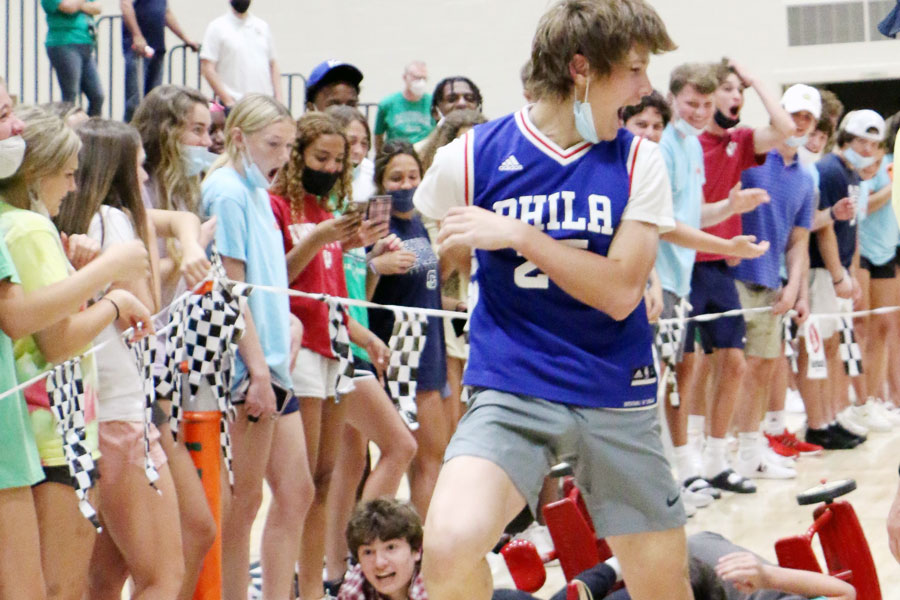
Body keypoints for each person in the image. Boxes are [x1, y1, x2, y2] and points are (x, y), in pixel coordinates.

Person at [413, 0, 698, 598]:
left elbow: (622, 292)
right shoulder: (469, 156)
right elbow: (434, 233)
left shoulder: (640, 160)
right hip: (512, 385)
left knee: (661, 585)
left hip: (615, 391)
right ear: (581, 70)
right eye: (635, 70)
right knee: (446, 543)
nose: (647, 89)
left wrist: (518, 235)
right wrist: (432, 259)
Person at [0, 78, 150, 600]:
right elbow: (56, 342)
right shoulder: (29, 228)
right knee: (59, 588)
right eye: (67, 175)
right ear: (37, 174)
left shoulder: (14, 223)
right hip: (53, 429)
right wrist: (112, 293)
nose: (72, 187)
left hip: (38, 427)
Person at [56, 118, 210, 599]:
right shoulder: (116, 221)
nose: (145, 178)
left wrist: (184, 244)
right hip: (122, 411)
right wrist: (176, 259)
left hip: (81, 413)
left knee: (103, 578)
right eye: (139, 167)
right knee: (162, 577)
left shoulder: (66, 225)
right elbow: (143, 311)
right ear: (118, 169)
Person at [202, 94, 310, 600]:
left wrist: (286, 321)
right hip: (248, 370)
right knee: (241, 503)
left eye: (288, 146)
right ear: (239, 137)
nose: (282, 157)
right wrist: (257, 371)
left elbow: (269, 280)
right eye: (274, 144)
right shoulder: (225, 190)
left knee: (296, 491)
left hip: (272, 359)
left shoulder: (261, 195)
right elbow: (230, 287)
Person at [130, 83, 222, 600]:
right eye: (197, 129)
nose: (207, 141)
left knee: (197, 530)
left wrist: (191, 245)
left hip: (163, 373)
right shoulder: (133, 195)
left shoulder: (180, 196)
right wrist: (189, 254)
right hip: (135, 383)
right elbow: (138, 289)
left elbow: (183, 241)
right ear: (166, 132)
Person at [686, 58, 793, 493]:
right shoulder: (687, 143)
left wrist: (757, 80)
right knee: (689, 367)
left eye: (739, 91)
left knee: (732, 363)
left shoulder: (740, 140)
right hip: (684, 264)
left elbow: (785, 128)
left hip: (720, 265)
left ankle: (716, 459)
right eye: (728, 89)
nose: (736, 97)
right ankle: (687, 458)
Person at [322, 105, 418, 586]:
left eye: (362, 144)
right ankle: (367, 555)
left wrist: (373, 262)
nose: (355, 153)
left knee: (348, 464)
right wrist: (357, 332)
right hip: (340, 345)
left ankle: (336, 571)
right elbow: (320, 285)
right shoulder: (329, 214)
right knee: (401, 445)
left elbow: (358, 289)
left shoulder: (358, 212)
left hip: (355, 337)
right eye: (347, 145)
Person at [730, 84, 823, 479]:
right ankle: (723, 451)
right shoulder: (752, 157)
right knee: (735, 366)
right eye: (794, 114)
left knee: (766, 365)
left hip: (773, 282)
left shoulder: (807, 178)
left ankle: (752, 451)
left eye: (807, 117)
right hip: (733, 274)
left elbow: (799, 241)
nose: (799, 123)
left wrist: (795, 288)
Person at [371, 141, 451, 520]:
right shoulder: (377, 225)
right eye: (396, 178)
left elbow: (424, 287)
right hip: (401, 345)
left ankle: (420, 547)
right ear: (380, 181)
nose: (405, 184)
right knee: (418, 454)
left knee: (430, 455)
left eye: (412, 176)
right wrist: (376, 265)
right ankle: (409, 548)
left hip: (431, 341)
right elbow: (361, 290)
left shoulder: (419, 220)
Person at [802, 109, 885, 450]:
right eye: (861, 141)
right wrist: (838, 275)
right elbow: (825, 229)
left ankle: (830, 416)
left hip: (835, 271)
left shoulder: (852, 175)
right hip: (821, 270)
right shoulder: (831, 171)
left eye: (873, 144)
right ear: (847, 139)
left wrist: (852, 272)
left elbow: (851, 228)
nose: (867, 149)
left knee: (834, 345)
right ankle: (817, 423)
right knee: (817, 347)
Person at [121, 0, 199, 122]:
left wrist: (185, 39)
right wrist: (137, 36)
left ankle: (149, 137)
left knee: (155, 101)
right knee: (134, 101)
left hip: (157, 47)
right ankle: (129, 137)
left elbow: (166, 13)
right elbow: (126, 6)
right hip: (138, 49)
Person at [200, 0, 282, 110]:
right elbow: (207, 68)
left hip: (265, 104)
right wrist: (228, 101)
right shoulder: (216, 27)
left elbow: (273, 64)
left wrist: (279, 100)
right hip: (235, 104)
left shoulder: (262, 26)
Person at [40, 0, 105, 116]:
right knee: (70, 95)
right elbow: (68, 7)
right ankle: (67, 130)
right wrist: (84, 5)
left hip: (85, 44)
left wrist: (78, 5)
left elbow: (98, 8)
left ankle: (92, 131)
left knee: (97, 95)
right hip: (63, 44)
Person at [374, 61, 434, 154]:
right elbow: (378, 136)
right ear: (405, 77)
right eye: (417, 78)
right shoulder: (387, 104)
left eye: (424, 78)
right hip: (396, 153)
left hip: (424, 154)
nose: (421, 82)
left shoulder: (433, 103)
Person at [414, 77, 483, 154]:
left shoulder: (493, 144)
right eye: (452, 99)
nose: (462, 103)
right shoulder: (418, 152)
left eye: (469, 98)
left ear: (478, 107)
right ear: (435, 112)